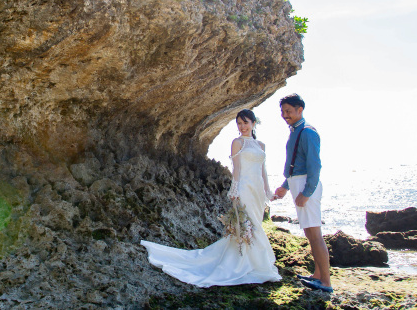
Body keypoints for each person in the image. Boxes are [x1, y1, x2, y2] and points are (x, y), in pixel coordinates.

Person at [141, 109, 282, 287]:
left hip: (258, 192)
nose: (242, 127)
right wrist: (235, 190)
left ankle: (252, 262)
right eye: (239, 123)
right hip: (245, 188)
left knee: (255, 225)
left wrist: (268, 192)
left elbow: (263, 170)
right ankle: (245, 264)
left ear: (254, 123)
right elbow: (236, 169)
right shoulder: (237, 143)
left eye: (245, 122)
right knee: (247, 225)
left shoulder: (261, 145)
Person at [273, 94, 333, 293]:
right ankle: (317, 276)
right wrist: (285, 186)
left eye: (288, 111)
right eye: (282, 111)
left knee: (315, 235)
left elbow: (314, 166)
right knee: (310, 234)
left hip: (306, 185)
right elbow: (295, 165)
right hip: (297, 183)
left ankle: (326, 282)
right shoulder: (295, 131)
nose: (284, 115)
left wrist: (306, 193)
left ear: (300, 110)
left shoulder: (307, 132)